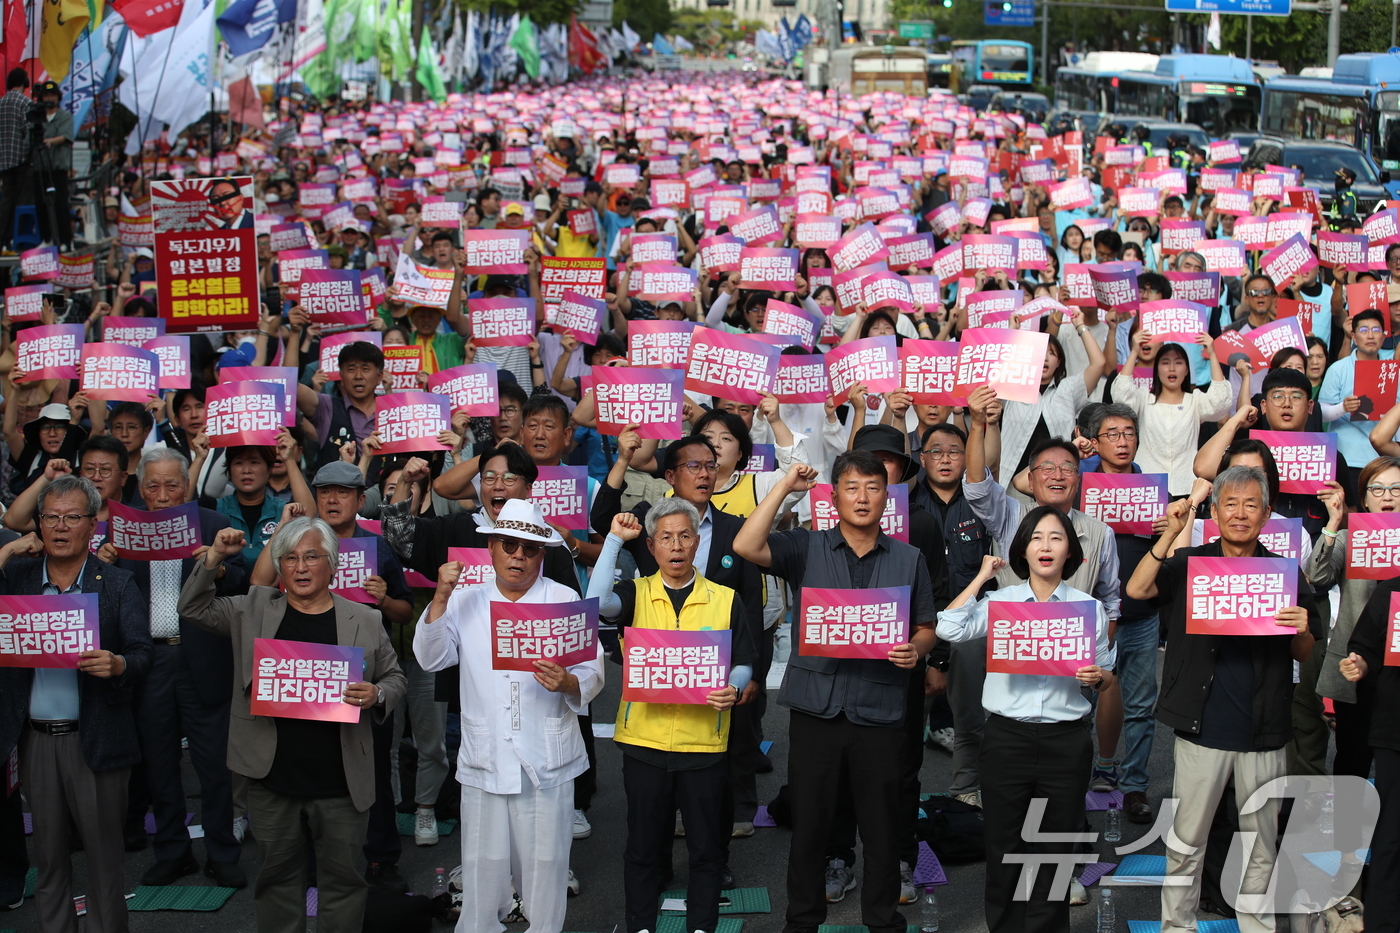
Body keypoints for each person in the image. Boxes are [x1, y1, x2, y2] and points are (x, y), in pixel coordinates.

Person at [734, 452, 938, 933]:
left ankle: (884, 923)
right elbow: (746, 544)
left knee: (883, 830)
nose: (863, 497)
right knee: (811, 826)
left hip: (881, 709)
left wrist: (915, 648)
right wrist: (785, 487)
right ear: (835, 495)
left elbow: (926, 626)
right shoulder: (806, 546)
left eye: (873, 487)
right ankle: (801, 923)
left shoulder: (909, 558)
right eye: (851, 487)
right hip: (816, 710)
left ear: (887, 498)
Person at [177, 517, 406, 933]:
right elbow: (192, 608)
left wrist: (378, 694)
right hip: (272, 781)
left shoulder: (365, 619)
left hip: (341, 782)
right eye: (290, 558)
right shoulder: (252, 609)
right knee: (277, 884)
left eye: (311, 557)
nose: (300, 567)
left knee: (343, 884)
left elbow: (395, 677)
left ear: (332, 565)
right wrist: (212, 558)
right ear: (279, 566)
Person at [1125, 466, 1322, 933]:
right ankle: (1177, 927)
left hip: (1266, 730)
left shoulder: (1284, 573)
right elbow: (1137, 590)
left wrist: (1303, 628)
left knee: (1260, 846)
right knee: (1186, 842)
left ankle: (1257, 926)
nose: (1240, 513)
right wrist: (1170, 533)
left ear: (1267, 513)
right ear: (1214, 512)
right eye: (1230, 504)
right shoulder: (1191, 563)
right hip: (1203, 726)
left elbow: (1305, 651)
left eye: (1251, 504)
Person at [414, 499, 605, 933]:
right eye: (508, 544)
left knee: (547, 872)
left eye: (529, 548)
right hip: (487, 759)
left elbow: (592, 671)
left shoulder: (563, 598)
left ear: (542, 553)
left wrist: (569, 683)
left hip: (547, 759)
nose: (518, 555)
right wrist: (440, 596)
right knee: (482, 873)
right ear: (492, 548)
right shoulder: (465, 599)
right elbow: (430, 658)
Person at [937, 507, 1114, 933]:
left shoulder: (1089, 608)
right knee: (1004, 846)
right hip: (1006, 739)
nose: (1046, 546)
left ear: (1070, 549)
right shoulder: (1001, 602)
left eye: (1056, 538)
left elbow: (1108, 674)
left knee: (1053, 849)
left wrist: (1098, 677)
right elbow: (949, 627)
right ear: (1023, 549)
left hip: (1066, 741)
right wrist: (982, 577)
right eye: (1037, 538)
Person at [588, 502, 756, 933]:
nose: (676, 546)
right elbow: (595, 602)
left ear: (697, 544)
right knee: (643, 848)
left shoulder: (725, 598)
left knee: (706, 852)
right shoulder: (636, 593)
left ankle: (702, 926)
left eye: (685, 536)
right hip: (644, 743)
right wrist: (611, 542)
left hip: (704, 746)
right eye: (666, 537)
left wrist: (734, 687)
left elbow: (743, 660)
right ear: (651, 545)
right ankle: (640, 926)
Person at [0, 475, 150, 933]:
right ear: (38, 525)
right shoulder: (18, 579)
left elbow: (144, 654)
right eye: (50, 518)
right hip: (37, 741)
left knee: (105, 865)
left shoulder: (117, 584)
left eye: (72, 517)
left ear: (93, 524)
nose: (60, 528)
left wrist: (119, 664)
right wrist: (4, 552)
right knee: (47, 860)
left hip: (97, 739)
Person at [97, 447, 249, 888]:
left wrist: (217, 566)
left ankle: (222, 851)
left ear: (187, 486)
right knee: (159, 763)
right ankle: (172, 850)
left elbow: (245, 586)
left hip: (202, 656)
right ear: (138, 489)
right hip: (150, 659)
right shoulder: (119, 532)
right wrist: (102, 567)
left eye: (172, 485)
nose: (163, 495)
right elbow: (102, 600)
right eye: (152, 486)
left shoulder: (215, 526)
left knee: (215, 766)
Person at [1308, 456, 1400, 779]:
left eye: (1395, 488)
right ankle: (1346, 829)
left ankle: (1388, 828)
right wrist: (1334, 523)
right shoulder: (1350, 538)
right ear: (1363, 498)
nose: (1387, 496)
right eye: (1377, 488)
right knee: (1352, 758)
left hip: (1397, 666)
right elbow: (1316, 577)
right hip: (1357, 664)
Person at [32, 82, 72, 249]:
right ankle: (46, 238)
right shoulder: (36, 117)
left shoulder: (64, 116)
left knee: (60, 205)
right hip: (39, 169)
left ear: (58, 98)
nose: (49, 99)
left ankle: (65, 241)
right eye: (46, 96)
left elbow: (66, 135)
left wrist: (50, 141)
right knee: (41, 205)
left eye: (52, 96)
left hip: (57, 169)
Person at [0, 69, 30, 251]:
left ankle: (3, 237)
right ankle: (18, 238)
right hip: (20, 160)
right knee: (23, 201)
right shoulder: (25, 102)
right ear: (24, 82)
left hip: (3, 160)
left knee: (6, 199)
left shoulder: (1, 102)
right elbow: (28, 133)